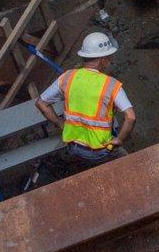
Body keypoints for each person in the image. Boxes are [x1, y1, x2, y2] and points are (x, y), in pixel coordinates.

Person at [36, 31, 136, 173]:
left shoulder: (67, 77)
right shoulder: (111, 85)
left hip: (74, 148)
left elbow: (41, 102)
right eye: (109, 57)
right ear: (102, 59)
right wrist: (119, 140)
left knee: (88, 170)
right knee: (127, 165)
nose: (110, 60)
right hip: (101, 150)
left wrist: (60, 123)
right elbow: (130, 117)